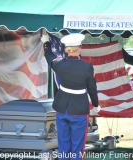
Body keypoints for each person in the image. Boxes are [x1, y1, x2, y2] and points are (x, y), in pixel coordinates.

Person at [41, 32, 100, 160]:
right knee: (77, 147)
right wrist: (96, 105)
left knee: (63, 144)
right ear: (79, 49)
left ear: (67, 49)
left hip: (62, 108)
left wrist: (46, 43)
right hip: (78, 110)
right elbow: (92, 89)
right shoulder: (87, 67)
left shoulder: (59, 64)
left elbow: (49, 56)